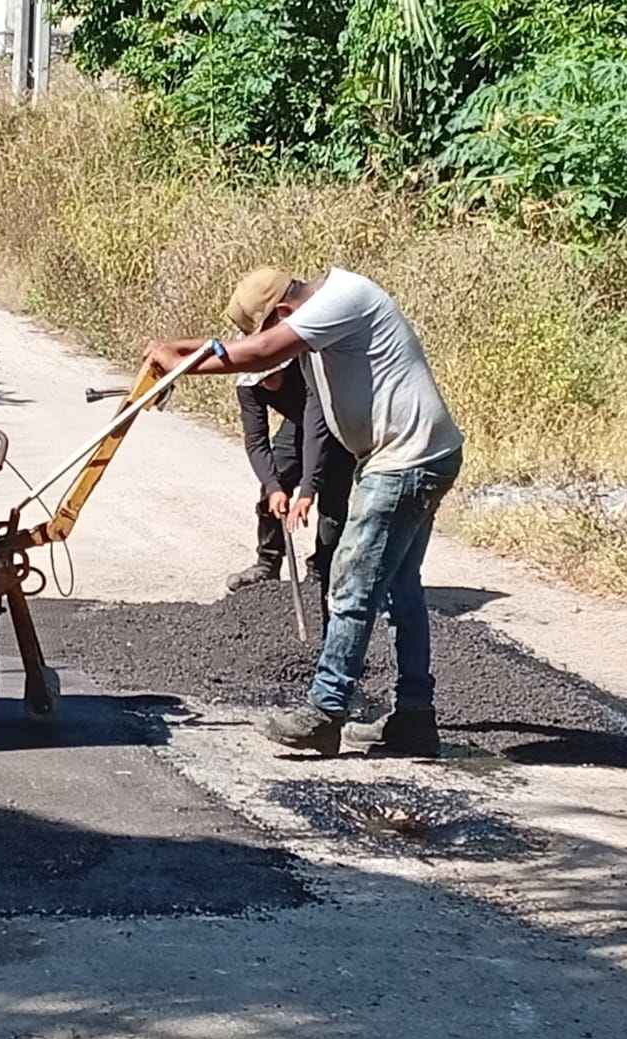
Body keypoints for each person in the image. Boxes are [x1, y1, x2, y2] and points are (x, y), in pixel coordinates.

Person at [146, 267, 465, 757]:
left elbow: (262, 351)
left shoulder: (343, 299)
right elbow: (247, 345)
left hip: (404, 462)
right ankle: (414, 720)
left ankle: (325, 711)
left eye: (270, 327)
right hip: (419, 455)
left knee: (351, 587)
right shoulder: (323, 308)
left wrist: (180, 367)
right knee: (400, 592)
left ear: (283, 312)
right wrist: (175, 348)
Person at [226, 343, 355, 627]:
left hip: (339, 422)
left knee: (332, 503)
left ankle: (322, 572)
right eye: (261, 379)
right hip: (299, 423)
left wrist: (308, 491)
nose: (266, 383)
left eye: (271, 376)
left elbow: (317, 433)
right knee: (275, 482)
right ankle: (267, 565)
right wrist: (273, 487)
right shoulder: (248, 386)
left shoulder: (307, 369)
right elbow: (256, 441)